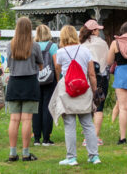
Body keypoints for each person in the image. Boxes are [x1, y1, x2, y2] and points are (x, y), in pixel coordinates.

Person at [49, 25, 100, 166]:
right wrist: (94, 90)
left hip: (68, 89)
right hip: (84, 88)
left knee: (69, 124)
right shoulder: (85, 50)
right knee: (88, 124)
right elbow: (91, 74)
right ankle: (94, 156)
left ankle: (71, 157)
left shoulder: (60, 52)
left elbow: (58, 72)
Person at [6, 17, 43, 162]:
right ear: (29, 29)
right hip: (30, 82)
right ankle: (26, 153)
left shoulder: (10, 45)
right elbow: (40, 65)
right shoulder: (35, 46)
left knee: (14, 119)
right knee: (27, 119)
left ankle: (12, 153)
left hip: (14, 82)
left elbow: (8, 64)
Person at [79, 19, 109, 145]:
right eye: (97, 29)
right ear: (94, 31)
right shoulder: (102, 44)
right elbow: (107, 60)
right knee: (99, 107)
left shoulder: (81, 44)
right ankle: (94, 137)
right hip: (100, 77)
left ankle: (86, 135)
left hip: (85, 78)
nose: (99, 32)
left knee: (87, 106)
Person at [33, 24, 58, 146]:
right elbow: (56, 64)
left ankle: (37, 137)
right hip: (49, 79)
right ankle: (46, 138)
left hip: (35, 79)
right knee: (48, 107)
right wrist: (58, 79)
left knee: (36, 108)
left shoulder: (33, 46)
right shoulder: (52, 46)